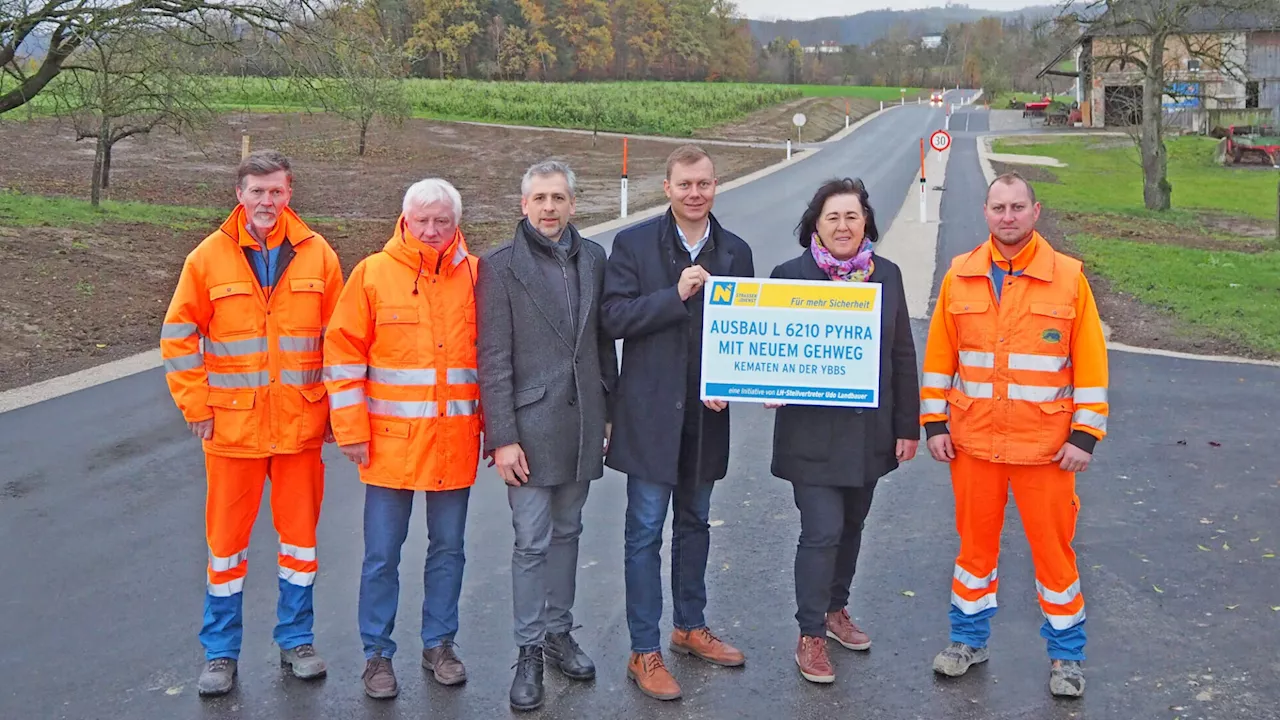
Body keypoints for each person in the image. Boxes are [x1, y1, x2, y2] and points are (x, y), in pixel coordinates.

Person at [160, 149, 343, 696]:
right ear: (239, 194)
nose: (268, 202)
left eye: (277, 191)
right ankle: (220, 653)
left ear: (291, 193)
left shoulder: (319, 256)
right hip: (231, 434)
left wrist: (336, 411)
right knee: (226, 548)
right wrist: (196, 406)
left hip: (299, 430)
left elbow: (340, 341)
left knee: (300, 546)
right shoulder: (207, 258)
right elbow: (178, 336)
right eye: (257, 191)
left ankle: (297, 641)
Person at [920, 172, 1109, 698]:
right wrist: (935, 423)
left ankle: (1066, 658)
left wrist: (1085, 435)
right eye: (999, 207)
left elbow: (1091, 365)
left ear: (1035, 211)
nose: (1008, 216)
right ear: (985, 212)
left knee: (1055, 556)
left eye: (1017, 207)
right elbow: (939, 358)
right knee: (973, 552)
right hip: (974, 443)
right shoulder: (960, 276)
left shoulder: (1069, 278)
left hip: (1047, 449)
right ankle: (967, 641)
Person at [601, 144, 754, 702]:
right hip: (648, 418)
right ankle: (644, 649)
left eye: (704, 184)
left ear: (716, 187)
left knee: (695, 525)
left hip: (706, 419)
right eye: (685, 184)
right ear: (666, 187)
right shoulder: (634, 244)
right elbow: (614, 319)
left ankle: (690, 626)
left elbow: (748, 336)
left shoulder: (735, 251)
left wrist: (730, 385)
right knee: (643, 534)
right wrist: (675, 295)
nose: (695, 193)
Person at [322, 178, 481, 700]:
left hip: (454, 440)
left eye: (442, 221)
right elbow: (343, 356)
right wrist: (349, 428)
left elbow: (494, 360)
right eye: (422, 221)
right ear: (404, 219)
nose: (432, 231)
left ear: (457, 222)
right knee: (382, 555)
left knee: (448, 550)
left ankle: (440, 644)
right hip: (388, 445)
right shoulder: (372, 274)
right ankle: (377, 655)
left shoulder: (479, 276)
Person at [765, 178, 919, 684]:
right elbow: (766, 348)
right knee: (823, 529)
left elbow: (901, 356)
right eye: (832, 217)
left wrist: (907, 425)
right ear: (816, 225)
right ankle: (810, 633)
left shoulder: (888, 276)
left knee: (851, 527)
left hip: (868, 434)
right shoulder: (789, 277)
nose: (843, 226)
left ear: (866, 223)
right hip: (810, 436)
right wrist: (765, 381)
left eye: (852, 217)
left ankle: (835, 611)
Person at [476, 160, 618, 711]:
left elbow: (603, 342)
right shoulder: (501, 267)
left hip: (582, 423)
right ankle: (529, 649)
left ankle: (560, 634)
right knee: (530, 542)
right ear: (524, 205)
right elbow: (492, 359)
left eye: (559, 198)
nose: (550, 208)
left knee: (568, 533)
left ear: (573, 204)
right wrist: (502, 437)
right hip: (529, 430)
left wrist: (607, 410)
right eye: (540, 199)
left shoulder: (595, 259)